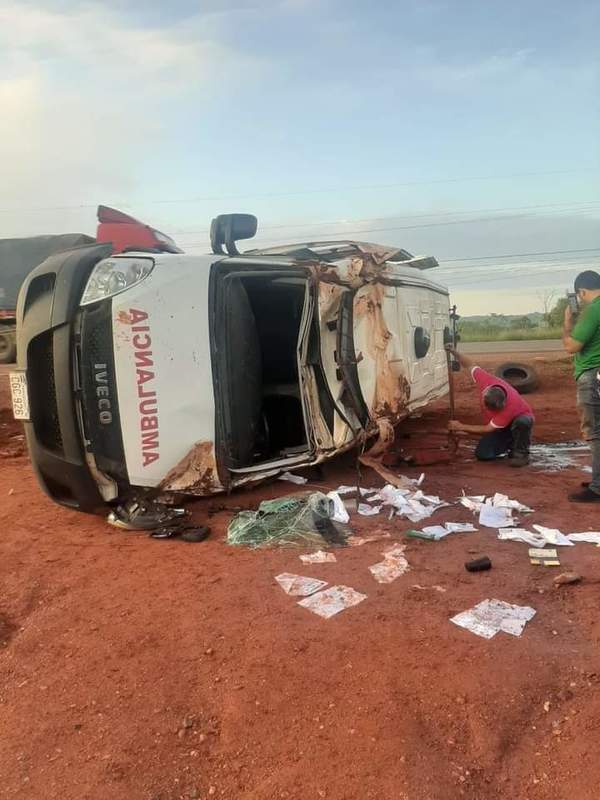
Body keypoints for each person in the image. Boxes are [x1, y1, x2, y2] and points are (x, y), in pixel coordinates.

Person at [445, 347, 534, 466]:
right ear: (485, 398)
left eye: (498, 409)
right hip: (501, 427)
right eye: (492, 409)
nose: (493, 411)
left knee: (522, 422)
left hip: (518, 420)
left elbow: (488, 429)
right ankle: (510, 441)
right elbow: (470, 364)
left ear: (504, 402)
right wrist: (453, 352)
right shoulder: (485, 380)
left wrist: (460, 426)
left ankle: (520, 453)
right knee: (483, 454)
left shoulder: (510, 407)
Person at [562, 270, 600, 502]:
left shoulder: (593, 310)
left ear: (582, 292)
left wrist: (567, 323)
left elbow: (571, 346)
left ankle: (597, 488)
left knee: (594, 431)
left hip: (592, 375)